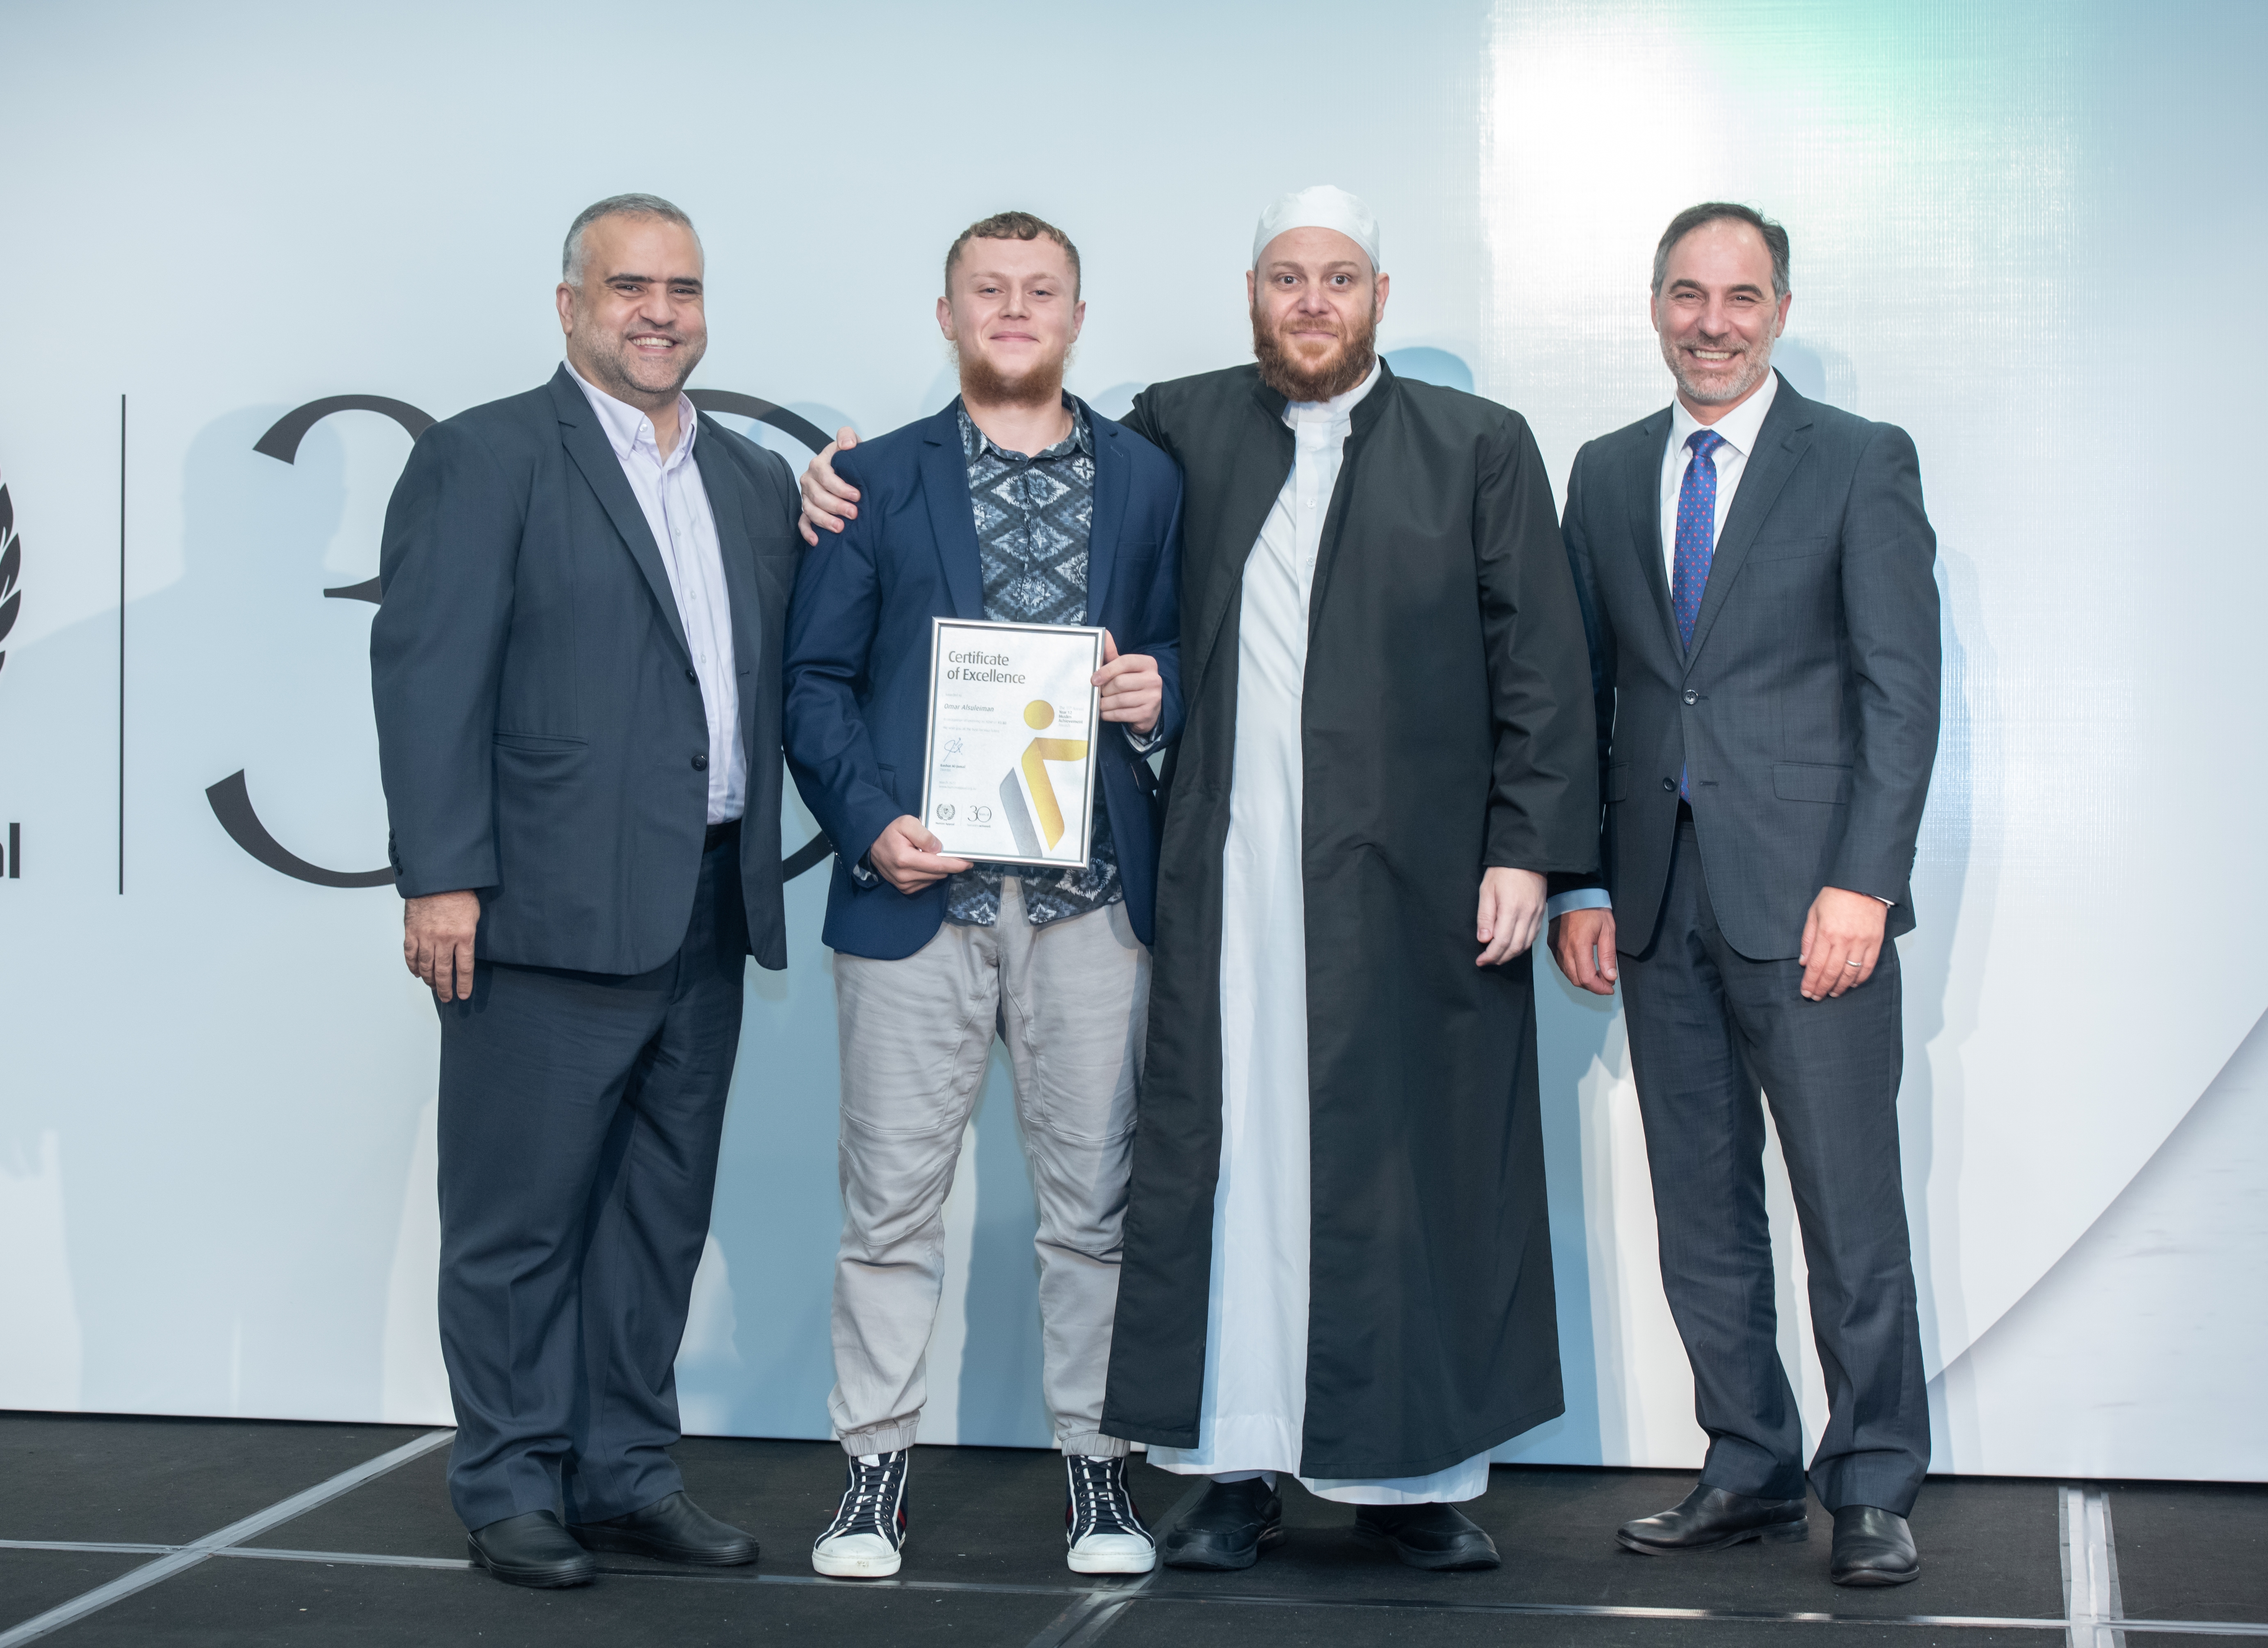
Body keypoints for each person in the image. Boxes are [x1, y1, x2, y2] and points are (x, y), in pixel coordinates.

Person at [799, 186, 1598, 1574]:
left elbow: (1542, 660)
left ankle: (1409, 1478)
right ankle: (1226, 1462)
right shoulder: (1186, 430)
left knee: (1398, 1177)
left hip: (1403, 892)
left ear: (1378, 296)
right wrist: (822, 471)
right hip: (1218, 882)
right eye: (1285, 278)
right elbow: (1021, 457)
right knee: (1215, 1175)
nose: (1309, 302)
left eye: (1336, 279)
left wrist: (1528, 849)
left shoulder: (1477, 446)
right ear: (1250, 295)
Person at [371, 193, 802, 1589]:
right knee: (515, 1224)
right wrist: (442, 880)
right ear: (569, 306)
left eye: (681, 288)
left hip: (704, 909)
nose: (658, 311)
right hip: (541, 914)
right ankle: (508, 1484)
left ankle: (624, 1474)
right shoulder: (487, 456)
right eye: (629, 286)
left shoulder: (745, 480)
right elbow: (429, 677)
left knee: (655, 1219)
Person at [782, 211, 1183, 1579]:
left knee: (1095, 1213)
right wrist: (871, 822)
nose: (1015, 310)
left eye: (1041, 291)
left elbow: (1191, 646)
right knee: (888, 1209)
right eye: (989, 291)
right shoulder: (870, 480)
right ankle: (871, 1476)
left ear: (1078, 313)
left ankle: (1100, 1478)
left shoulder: (1152, 479)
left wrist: (1159, 689)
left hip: (1092, 906)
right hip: (918, 904)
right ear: (947, 314)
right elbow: (815, 684)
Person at [1547, 202, 1939, 1588]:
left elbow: (1902, 695)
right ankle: (1750, 1466)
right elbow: (1587, 695)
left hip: (1814, 907)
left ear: (1779, 310)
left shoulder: (1858, 463)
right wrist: (1584, 876)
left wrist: (1865, 886)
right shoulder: (1601, 474)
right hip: (1655, 904)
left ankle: (1876, 1480)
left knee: (1848, 1208)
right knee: (1700, 1208)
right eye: (1687, 294)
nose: (1712, 321)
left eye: (1741, 296)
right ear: (1655, 305)